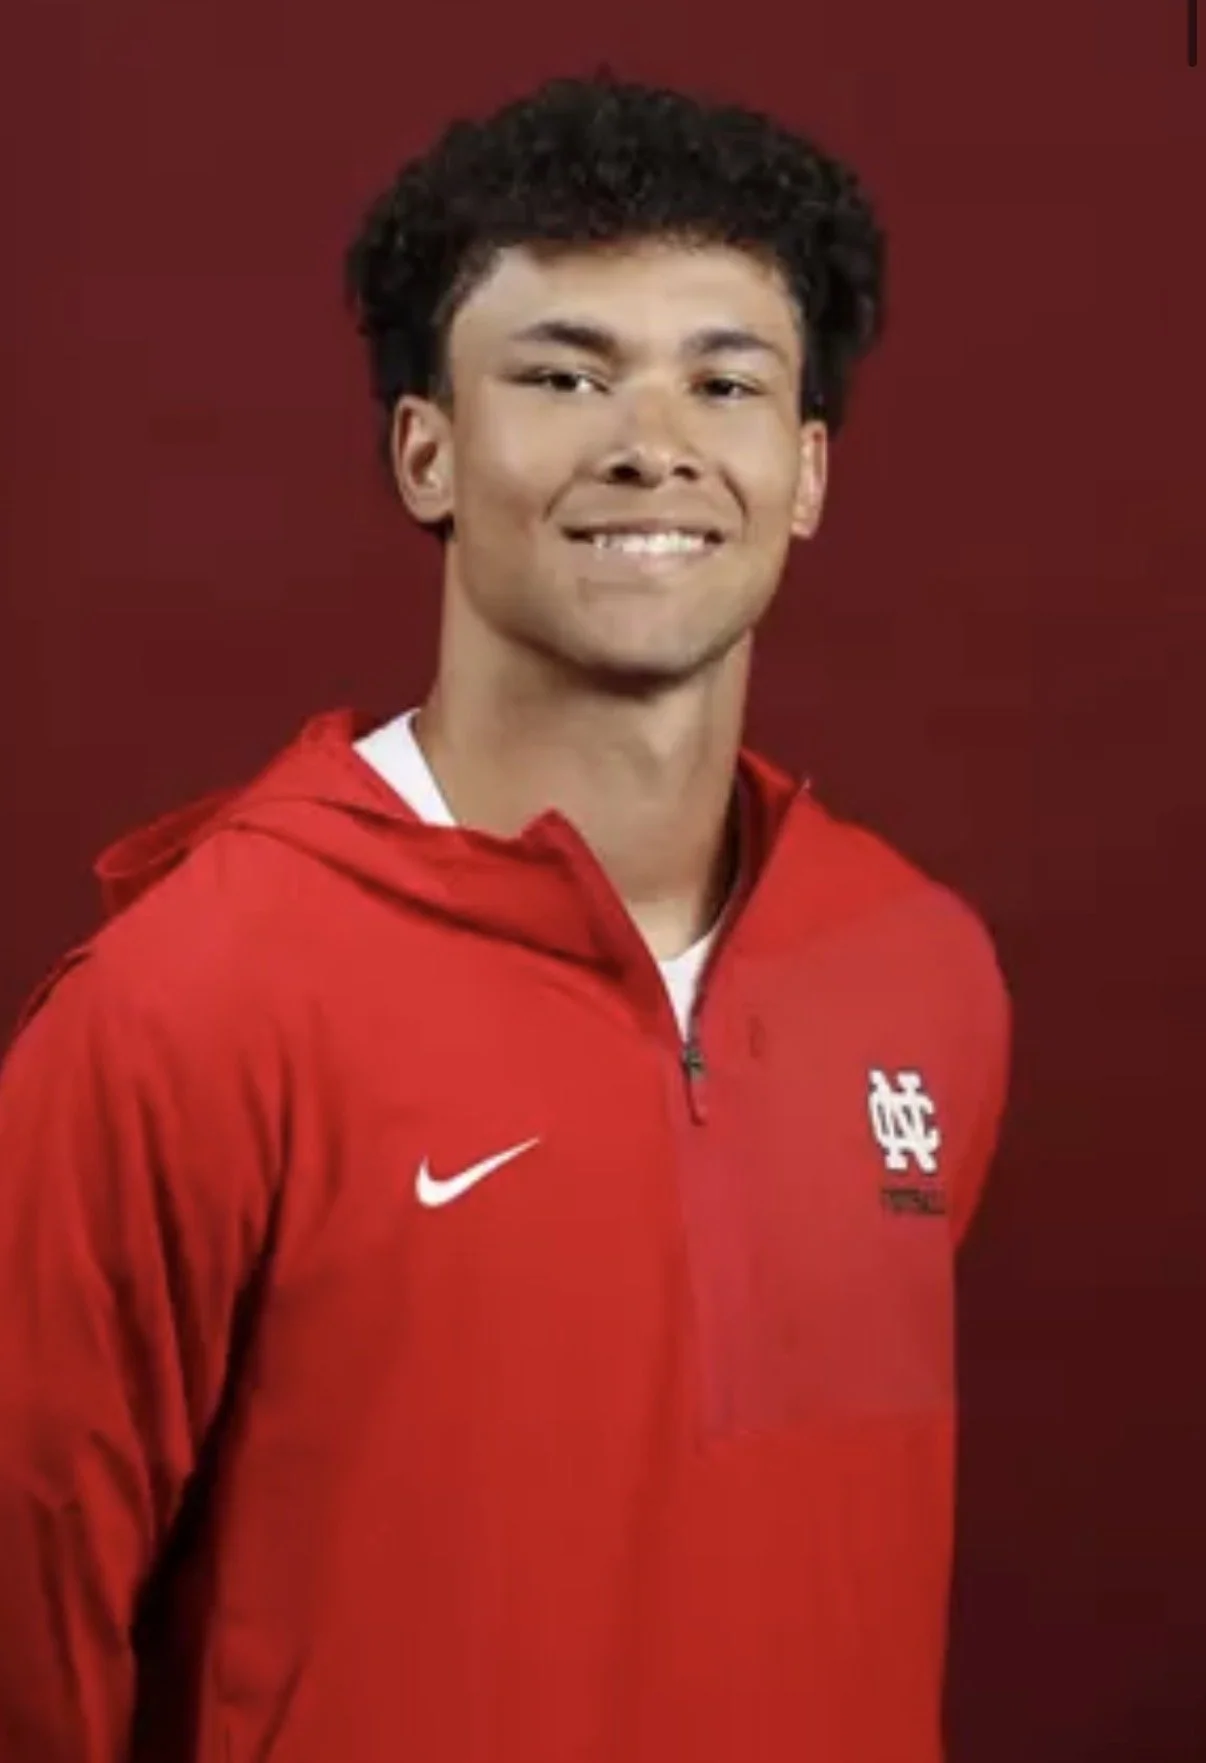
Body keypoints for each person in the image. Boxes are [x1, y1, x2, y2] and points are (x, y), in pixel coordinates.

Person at [0, 71, 1011, 1763]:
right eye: (562, 375)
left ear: (805, 470)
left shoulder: (920, 971)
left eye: (724, 381)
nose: (651, 442)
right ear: (427, 452)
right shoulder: (187, 1005)